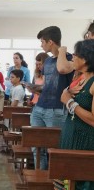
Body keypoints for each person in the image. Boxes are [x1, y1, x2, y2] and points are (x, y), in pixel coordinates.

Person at [26, 26, 74, 170]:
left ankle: (54, 182)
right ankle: (40, 178)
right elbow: (48, 85)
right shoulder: (47, 62)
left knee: (53, 149)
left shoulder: (69, 58)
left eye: (42, 41)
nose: (41, 45)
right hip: (39, 107)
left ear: (51, 42)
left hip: (56, 110)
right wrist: (34, 88)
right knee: (36, 148)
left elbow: (68, 82)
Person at [60, 39, 94, 190]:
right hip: (71, 138)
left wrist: (69, 102)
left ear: (86, 58)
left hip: (85, 142)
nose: (72, 57)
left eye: (75, 54)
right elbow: (65, 95)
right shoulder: (80, 77)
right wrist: (66, 93)